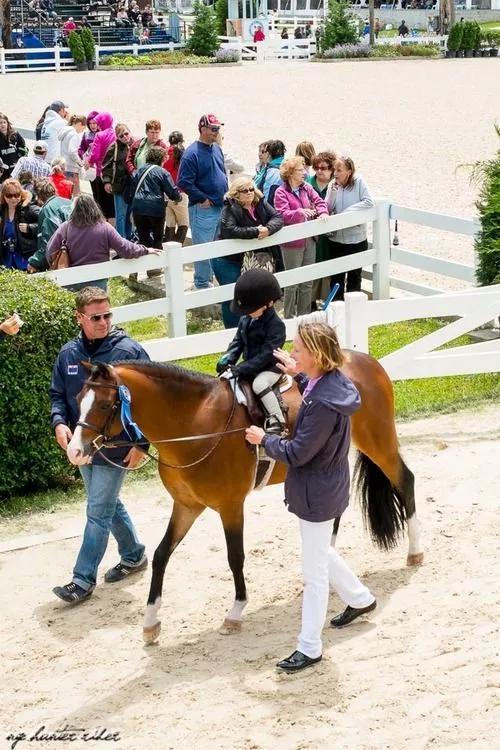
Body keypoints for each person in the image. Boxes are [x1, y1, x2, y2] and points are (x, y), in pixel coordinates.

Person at [245, 321, 376, 673]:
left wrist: (264, 440)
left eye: (298, 350)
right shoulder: (332, 383)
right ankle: (361, 598)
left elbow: (299, 451)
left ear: (316, 354)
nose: (292, 354)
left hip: (317, 490)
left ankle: (310, 647)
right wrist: (299, 375)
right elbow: (317, 390)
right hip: (323, 486)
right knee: (320, 551)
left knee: (313, 574)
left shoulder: (320, 403)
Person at [50, 287, 150, 604]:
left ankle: (81, 580)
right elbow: (57, 397)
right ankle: (133, 554)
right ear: (80, 318)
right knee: (105, 504)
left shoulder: (130, 353)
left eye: (108, 315)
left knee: (97, 511)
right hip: (83, 446)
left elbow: (150, 402)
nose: (104, 322)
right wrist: (59, 423)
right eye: (96, 317)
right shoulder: (67, 355)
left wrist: (143, 444)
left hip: (117, 446)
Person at [216, 269, 287, 434]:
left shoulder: (276, 326)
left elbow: (266, 355)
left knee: (259, 384)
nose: (247, 313)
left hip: (270, 367)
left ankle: (277, 419)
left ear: (268, 303)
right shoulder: (246, 320)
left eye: (251, 308)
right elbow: (238, 342)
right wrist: (228, 358)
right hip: (250, 364)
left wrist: (242, 368)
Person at [46, 194, 159, 289]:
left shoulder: (65, 228)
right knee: (99, 313)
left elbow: (50, 252)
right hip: (98, 281)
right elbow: (126, 249)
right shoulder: (105, 228)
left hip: (72, 281)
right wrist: (145, 250)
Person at [215, 176, 284, 328]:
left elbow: (278, 217)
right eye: (245, 190)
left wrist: (268, 229)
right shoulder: (230, 208)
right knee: (232, 295)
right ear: (236, 194)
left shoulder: (260, 203)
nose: (250, 193)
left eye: (251, 189)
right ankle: (233, 331)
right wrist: (256, 231)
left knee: (256, 294)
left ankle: (254, 328)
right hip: (229, 260)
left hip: (252, 260)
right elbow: (229, 230)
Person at [177, 113, 228, 290]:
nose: (216, 132)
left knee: (216, 248)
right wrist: (202, 198)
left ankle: (209, 280)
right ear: (203, 129)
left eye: (218, 129)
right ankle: (201, 283)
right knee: (203, 249)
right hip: (204, 209)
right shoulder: (191, 153)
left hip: (220, 207)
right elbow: (183, 182)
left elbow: (221, 171)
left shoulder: (217, 149)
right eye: (213, 129)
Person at [274, 156, 328, 318]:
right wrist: (300, 213)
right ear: (290, 173)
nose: (304, 173)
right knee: (292, 283)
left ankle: (304, 316)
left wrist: (323, 211)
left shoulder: (307, 188)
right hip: (292, 243)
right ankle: (289, 316)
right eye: (300, 170)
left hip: (309, 240)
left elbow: (319, 201)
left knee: (307, 281)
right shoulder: (281, 192)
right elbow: (281, 214)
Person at [325, 156, 374, 299]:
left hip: (356, 239)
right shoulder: (332, 185)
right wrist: (333, 193)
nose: (335, 173)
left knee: (354, 276)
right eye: (335, 170)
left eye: (339, 170)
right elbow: (327, 207)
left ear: (349, 171)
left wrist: (348, 214)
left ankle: (354, 312)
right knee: (336, 278)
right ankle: (336, 310)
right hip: (337, 240)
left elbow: (369, 202)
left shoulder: (359, 182)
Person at [130, 145, 181, 275]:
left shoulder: (139, 171)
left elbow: (130, 190)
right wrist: (178, 197)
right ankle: (154, 268)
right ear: (161, 159)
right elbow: (172, 191)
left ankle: (141, 265)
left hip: (138, 208)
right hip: (155, 208)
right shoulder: (162, 172)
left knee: (143, 237)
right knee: (157, 237)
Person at [307, 150, 337, 309]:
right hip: (312, 234)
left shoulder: (336, 186)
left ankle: (327, 301)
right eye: (316, 167)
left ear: (331, 169)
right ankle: (310, 302)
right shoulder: (308, 184)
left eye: (324, 168)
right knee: (312, 265)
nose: (319, 171)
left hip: (330, 236)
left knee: (328, 267)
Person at [27, 179, 72, 272]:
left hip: (65, 258)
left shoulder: (47, 209)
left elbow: (49, 240)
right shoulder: (68, 202)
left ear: (38, 196)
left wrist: (35, 261)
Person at [102, 123, 134, 239]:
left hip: (132, 185)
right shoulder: (114, 148)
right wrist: (107, 182)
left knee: (130, 215)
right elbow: (106, 166)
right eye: (121, 136)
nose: (125, 137)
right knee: (120, 215)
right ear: (117, 137)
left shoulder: (135, 145)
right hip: (119, 186)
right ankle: (121, 239)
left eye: (126, 133)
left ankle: (129, 238)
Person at [0, 178, 40, 270]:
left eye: (17, 195)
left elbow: (46, 223)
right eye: (9, 195)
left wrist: (30, 228)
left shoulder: (27, 208)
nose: (13, 198)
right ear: (3, 196)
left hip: (25, 261)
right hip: (5, 262)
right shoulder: (2, 210)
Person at [85, 112, 116, 221]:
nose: (97, 125)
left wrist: (88, 162)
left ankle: (102, 226)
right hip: (114, 172)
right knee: (112, 203)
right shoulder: (116, 133)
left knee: (101, 202)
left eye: (98, 123)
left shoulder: (100, 135)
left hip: (101, 172)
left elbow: (95, 155)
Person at [163, 130, 189, 245]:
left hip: (167, 194)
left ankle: (168, 253)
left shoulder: (165, 153)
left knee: (170, 224)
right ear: (182, 141)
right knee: (184, 224)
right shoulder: (184, 153)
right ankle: (177, 251)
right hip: (180, 194)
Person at [58, 114, 86, 196]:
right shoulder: (74, 134)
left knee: (65, 194)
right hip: (72, 169)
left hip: (64, 166)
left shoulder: (66, 133)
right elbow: (72, 152)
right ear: (80, 124)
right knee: (75, 195)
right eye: (83, 128)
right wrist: (80, 163)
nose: (82, 131)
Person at [254, 139, 286, 206]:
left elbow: (267, 198)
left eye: (263, 152)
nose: (260, 154)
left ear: (268, 153)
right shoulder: (286, 166)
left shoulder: (272, 172)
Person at [0, 113, 28, 183]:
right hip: (2, 170)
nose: (3, 124)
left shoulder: (15, 134)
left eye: (4, 122)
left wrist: (20, 159)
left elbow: (24, 148)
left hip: (15, 168)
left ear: (7, 123)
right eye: (0, 123)